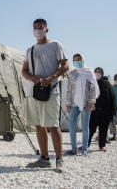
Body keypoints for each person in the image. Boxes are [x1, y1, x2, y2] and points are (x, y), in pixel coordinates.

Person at [22, 18, 69, 172]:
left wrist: (51, 77)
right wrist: (30, 77)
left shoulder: (55, 45)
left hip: (51, 90)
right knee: (38, 125)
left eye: (40, 27)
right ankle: (44, 158)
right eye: (35, 27)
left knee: (52, 124)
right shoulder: (30, 50)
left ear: (46, 29)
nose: (38, 30)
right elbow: (24, 70)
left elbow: (65, 66)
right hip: (33, 91)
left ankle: (59, 159)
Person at [65, 54, 99, 157]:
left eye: (78, 60)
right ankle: (74, 148)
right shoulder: (72, 74)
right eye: (74, 60)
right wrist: (68, 103)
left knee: (85, 126)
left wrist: (91, 102)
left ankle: (85, 149)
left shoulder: (89, 72)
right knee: (71, 126)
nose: (76, 62)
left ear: (82, 60)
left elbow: (93, 87)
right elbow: (69, 89)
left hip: (86, 103)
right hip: (74, 103)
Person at [87, 67, 116, 152]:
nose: (97, 73)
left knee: (103, 129)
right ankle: (86, 144)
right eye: (96, 72)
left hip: (104, 111)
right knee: (90, 129)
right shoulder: (91, 83)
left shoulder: (106, 84)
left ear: (102, 73)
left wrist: (112, 110)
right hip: (93, 111)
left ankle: (102, 145)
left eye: (99, 72)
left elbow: (112, 97)